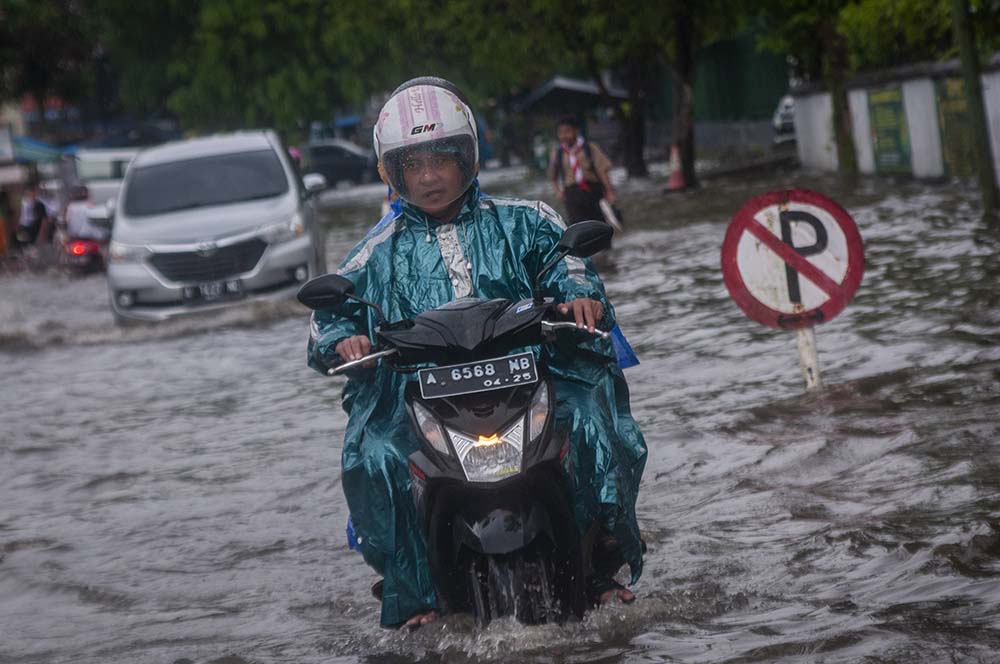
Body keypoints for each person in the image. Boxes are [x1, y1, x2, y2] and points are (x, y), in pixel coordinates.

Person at [307, 77, 647, 629]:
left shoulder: (526, 219)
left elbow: (569, 263)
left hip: (532, 380)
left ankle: (601, 568)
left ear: (468, 156)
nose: (428, 176)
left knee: (588, 423)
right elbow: (331, 314)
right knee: (374, 457)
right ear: (391, 173)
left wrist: (580, 295)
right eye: (412, 165)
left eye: (441, 159)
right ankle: (413, 595)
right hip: (420, 400)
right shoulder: (374, 253)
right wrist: (343, 338)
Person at [547, 117, 618, 225]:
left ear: (576, 131)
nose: (564, 136)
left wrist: (610, 191)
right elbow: (552, 177)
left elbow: (602, 171)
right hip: (572, 194)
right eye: (560, 133)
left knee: (598, 224)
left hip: (592, 191)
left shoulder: (590, 147)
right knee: (578, 227)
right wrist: (559, 193)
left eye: (567, 131)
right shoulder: (558, 153)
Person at [14, 182, 52, 249]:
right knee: (23, 247)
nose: (31, 194)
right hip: (23, 227)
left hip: (34, 228)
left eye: (32, 192)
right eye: (28, 192)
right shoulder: (22, 203)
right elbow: (19, 215)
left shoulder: (39, 204)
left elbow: (44, 219)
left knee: (33, 247)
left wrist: (42, 233)